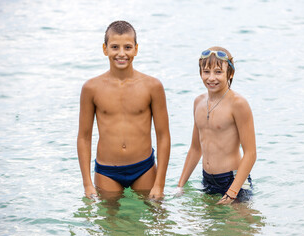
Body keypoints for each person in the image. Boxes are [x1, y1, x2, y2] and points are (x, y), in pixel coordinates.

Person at [77, 20, 170, 200]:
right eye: (114, 47)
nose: (121, 53)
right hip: (107, 171)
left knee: (153, 221)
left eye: (127, 47)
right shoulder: (91, 88)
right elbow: (83, 136)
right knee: (110, 226)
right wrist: (87, 184)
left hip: (144, 168)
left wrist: (160, 184)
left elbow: (163, 135)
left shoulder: (152, 86)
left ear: (136, 49)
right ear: (105, 49)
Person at [177, 46, 256, 204]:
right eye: (206, 72)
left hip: (233, 180)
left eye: (218, 72)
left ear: (230, 73)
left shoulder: (238, 104)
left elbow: (251, 153)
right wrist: (180, 185)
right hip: (208, 181)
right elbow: (195, 148)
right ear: (200, 73)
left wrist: (232, 192)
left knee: (239, 227)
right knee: (210, 229)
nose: (211, 78)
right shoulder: (198, 102)